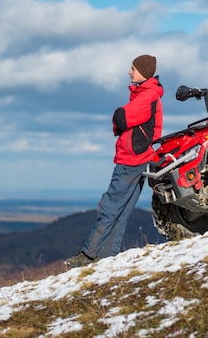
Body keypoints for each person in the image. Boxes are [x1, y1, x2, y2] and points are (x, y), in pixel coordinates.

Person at [65, 54, 164, 268]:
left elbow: (122, 117)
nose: (129, 72)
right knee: (121, 211)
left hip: (131, 160)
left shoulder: (146, 96)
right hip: (139, 158)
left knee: (109, 207)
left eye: (133, 69)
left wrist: (118, 118)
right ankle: (106, 257)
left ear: (144, 72)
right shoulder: (146, 94)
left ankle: (88, 256)